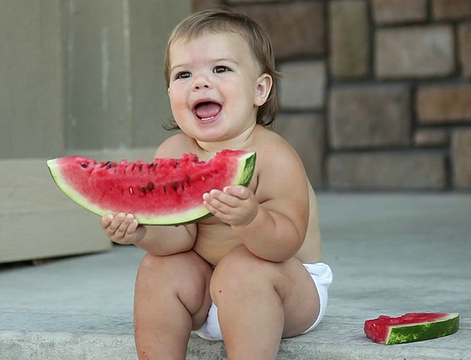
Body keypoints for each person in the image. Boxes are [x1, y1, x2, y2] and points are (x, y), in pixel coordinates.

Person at [100, 8, 332, 360]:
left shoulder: (274, 156)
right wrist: (141, 232)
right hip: (206, 292)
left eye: (220, 69)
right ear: (170, 93)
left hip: (285, 290)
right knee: (156, 267)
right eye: (184, 74)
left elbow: (286, 243)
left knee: (244, 269)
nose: (200, 82)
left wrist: (251, 219)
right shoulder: (174, 153)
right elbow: (180, 236)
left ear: (259, 89)